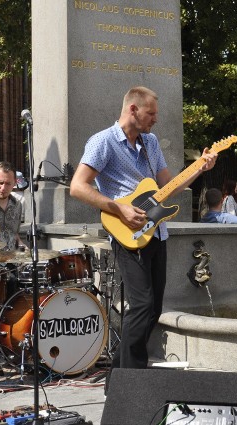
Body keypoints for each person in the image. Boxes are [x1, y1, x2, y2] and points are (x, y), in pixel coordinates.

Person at [69, 86, 217, 392]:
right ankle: (132, 381)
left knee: (154, 308)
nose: (155, 120)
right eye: (151, 114)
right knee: (142, 304)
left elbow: (169, 186)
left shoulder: (149, 143)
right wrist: (119, 208)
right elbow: (78, 187)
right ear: (133, 109)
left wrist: (199, 168)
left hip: (156, 233)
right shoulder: (103, 141)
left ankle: (120, 378)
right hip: (126, 235)